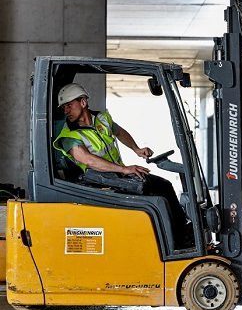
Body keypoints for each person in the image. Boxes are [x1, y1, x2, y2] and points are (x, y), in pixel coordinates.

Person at [53, 83, 191, 246]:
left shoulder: (102, 119)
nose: (66, 111)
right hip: (99, 181)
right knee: (156, 198)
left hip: (116, 176)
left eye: (69, 105)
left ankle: (183, 235)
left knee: (164, 185)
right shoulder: (68, 135)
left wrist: (136, 149)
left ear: (82, 102)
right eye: (64, 107)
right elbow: (88, 160)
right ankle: (174, 243)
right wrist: (125, 169)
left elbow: (119, 132)